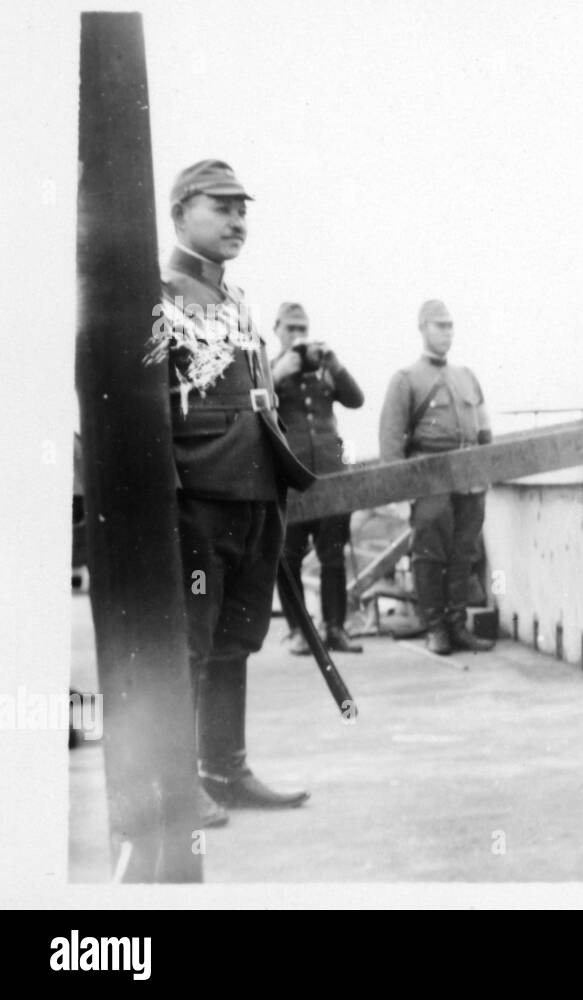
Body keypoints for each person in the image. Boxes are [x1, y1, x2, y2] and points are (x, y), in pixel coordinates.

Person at [151, 160, 316, 825]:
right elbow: (143, 410)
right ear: (180, 212)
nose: (237, 219)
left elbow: (259, 398)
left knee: (235, 637)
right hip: (196, 497)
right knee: (189, 643)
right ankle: (173, 782)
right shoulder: (157, 297)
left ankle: (225, 768)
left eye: (242, 208)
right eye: (221, 207)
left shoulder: (238, 300)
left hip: (253, 496)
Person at [378, 300, 495, 655]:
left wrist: (487, 470)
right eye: (439, 325)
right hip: (428, 478)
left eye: (450, 326)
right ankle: (436, 629)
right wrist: (400, 495)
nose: (447, 332)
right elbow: (390, 440)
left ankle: (457, 625)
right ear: (423, 328)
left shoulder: (467, 376)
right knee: (429, 555)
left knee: (464, 554)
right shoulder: (406, 379)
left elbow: (485, 430)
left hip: (470, 477)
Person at [270, 302, 366, 655]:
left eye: (302, 329)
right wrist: (278, 375)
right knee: (288, 556)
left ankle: (336, 629)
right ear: (277, 329)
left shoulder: (323, 368)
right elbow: (252, 407)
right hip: (290, 479)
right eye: (290, 329)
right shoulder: (268, 369)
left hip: (330, 476)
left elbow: (356, 400)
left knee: (332, 555)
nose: (297, 336)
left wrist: (334, 363)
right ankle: (299, 631)